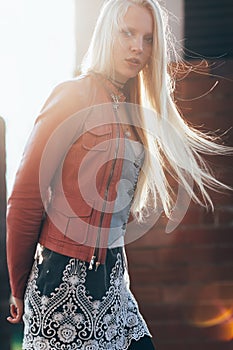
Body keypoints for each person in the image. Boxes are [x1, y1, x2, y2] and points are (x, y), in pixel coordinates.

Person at [6, 1, 231, 349]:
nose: (138, 47)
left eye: (149, 38)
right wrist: (18, 286)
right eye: (128, 33)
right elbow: (25, 198)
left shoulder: (134, 109)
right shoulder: (71, 96)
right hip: (62, 284)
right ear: (107, 31)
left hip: (113, 282)